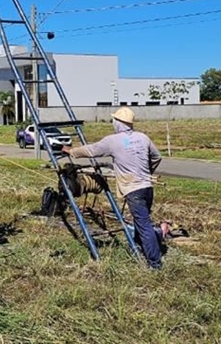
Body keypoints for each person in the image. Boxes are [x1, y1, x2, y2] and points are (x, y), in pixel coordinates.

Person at [62, 107, 164, 269]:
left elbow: (91, 150)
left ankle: (155, 264)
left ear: (118, 123)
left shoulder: (113, 141)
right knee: (141, 222)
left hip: (133, 189)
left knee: (144, 226)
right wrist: (147, 171)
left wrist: (71, 151)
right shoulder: (142, 138)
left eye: (114, 121)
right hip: (147, 187)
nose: (113, 123)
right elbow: (157, 157)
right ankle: (140, 248)